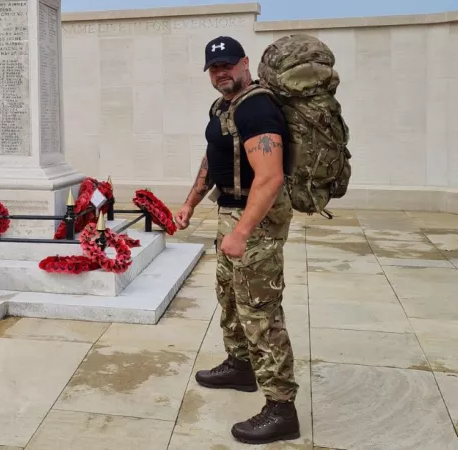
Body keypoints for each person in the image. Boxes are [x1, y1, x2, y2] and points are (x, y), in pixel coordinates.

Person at [174, 35, 300, 445]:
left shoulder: (258, 107)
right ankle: (241, 367)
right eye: (214, 67)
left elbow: (270, 176)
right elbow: (214, 157)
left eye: (228, 64)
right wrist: (191, 201)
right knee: (230, 298)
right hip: (230, 214)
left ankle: (282, 409)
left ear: (245, 63)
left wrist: (243, 232)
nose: (221, 72)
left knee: (260, 313)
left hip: (254, 222)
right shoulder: (223, 106)